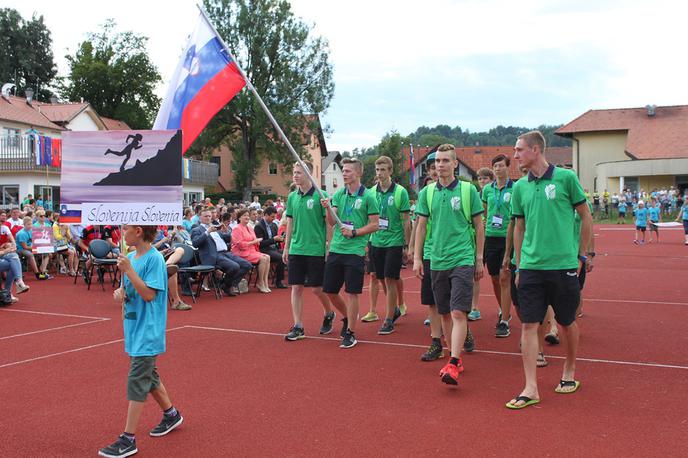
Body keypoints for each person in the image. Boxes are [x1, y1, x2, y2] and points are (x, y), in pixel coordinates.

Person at [506, 131, 592, 409]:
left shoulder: (566, 179)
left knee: (566, 322)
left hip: (563, 265)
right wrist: (519, 263)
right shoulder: (519, 187)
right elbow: (519, 227)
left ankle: (569, 370)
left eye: (519, 150)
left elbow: (586, 215)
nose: (515, 155)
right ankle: (530, 387)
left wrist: (581, 254)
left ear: (535, 149)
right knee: (529, 324)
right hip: (531, 267)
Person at [99, 225, 184, 458]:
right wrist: (121, 292)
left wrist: (128, 271)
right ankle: (171, 414)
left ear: (138, 231)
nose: (122, 233)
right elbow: (134, 290)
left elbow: (149, 294)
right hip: (135, 327)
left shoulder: (154, 258)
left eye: (125, 229)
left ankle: (128, 439)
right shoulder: (133, 257)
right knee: (150, 374)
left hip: (148, 329)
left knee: (137, 377)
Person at [413, 144, 485, 385]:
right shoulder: (427, 193)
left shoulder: (468, 191)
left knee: (457, 311)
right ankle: (456, 356)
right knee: (443, 312)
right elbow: (421, 226)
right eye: (437, 161)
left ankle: (453, 361)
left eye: (445, 161)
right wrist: (417, 258)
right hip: (436, 259)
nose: (440, 165)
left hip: (462, 257)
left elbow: (479, 225)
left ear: (455, 164)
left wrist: (478, 259)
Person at [321, 157, 380, 349]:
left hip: (355, 251)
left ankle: (351, 332)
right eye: (343, 171)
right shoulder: (339, 194)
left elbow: (375, 224)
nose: (344, 173)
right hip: (337, 248)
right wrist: (328, 208)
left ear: (358, 173)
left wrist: (355, 232)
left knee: (352, 292)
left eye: (347, 171)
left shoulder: (369, 196)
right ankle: (347, 317)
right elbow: (331, 221)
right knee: (329, 290)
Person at [283, 161, 335, 340]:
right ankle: (298, 325)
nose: (295, 175)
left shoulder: (322, 195)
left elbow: (328, 223)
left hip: (315, 248)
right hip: (297, 247)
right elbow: (290, 222)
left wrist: (329, 244)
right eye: (294, 172)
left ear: (308, 174)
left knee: (316, 289)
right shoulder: (292, 197)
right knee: (296, 287)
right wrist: (287, 246)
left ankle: (329, 313)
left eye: (298, 172)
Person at [365, 156, 411, 335]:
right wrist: (366, 241)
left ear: (390, 171)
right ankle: (394, 310)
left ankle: (389, 318)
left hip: (394, 241)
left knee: (391, 278)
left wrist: (407, 245)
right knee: (381, 278)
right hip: (376, 240)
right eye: (377, 170)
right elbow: (368, 218)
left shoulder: (400, 192)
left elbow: (406, 220)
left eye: (383, 170)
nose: (379, 173)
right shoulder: (370, 192)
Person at [409, 153, 445, 361]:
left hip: (454, 255)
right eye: (432, 165)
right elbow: (419, 224)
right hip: (431, 252)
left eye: (439, 163)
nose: (435, 169)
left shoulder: (462, 191)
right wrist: (415, 251)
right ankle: (436, 341)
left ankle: (462, 329)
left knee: (451, 301)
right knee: (432, 300)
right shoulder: (426, 194)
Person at [481, 155, 515, 338]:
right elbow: (485, 212)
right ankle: (503, 308)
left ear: (508, 167)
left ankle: (504, 320)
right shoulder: (487, 190)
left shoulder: (515, 188)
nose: (498, 169)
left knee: (505, 276)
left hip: (507, 237)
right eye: (495, 166)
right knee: (494, 278)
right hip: (490, 237)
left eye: (501, 165)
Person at [191, 210, 252, 296]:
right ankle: (226, 285)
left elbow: (227, 239)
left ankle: (226, 285)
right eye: (205, 216)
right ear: (200, 218)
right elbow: (195, 243)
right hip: (213, 255)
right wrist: (207, 232)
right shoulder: (197, 229)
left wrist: (225, 232)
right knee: (234, 266)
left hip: (226, 253)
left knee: (247, 265)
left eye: (209, 216)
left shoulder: (215, 227)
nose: (208, 218)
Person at [231, 209, 272, 293]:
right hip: (241, 253)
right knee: (263, 259)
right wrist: (254, 242)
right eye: (244, 215)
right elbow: (240, 245)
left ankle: (264, 282)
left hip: (251, 251)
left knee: (267, 257)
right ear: (239, 218)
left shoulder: (250, 228)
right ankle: (261, 282)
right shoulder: (237, 229)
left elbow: (254, 241)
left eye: (247, 215)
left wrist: (257, 242)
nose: (247, 217)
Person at [254, 206, 287, 289]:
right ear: (265, 215)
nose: (273, 219)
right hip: (263, 250)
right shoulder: (259, 226)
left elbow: (276, 239)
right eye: (272, 217)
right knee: (281, 258)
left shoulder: (273, 225)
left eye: (274, 217)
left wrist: (280, 239)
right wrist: (273, 239)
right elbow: (260, 243)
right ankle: (278, 281)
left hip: (273, 248)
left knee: (287, 254)